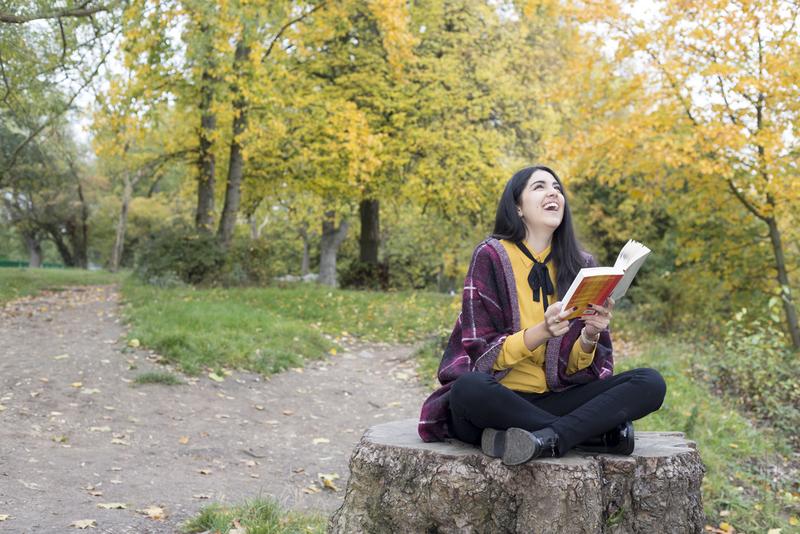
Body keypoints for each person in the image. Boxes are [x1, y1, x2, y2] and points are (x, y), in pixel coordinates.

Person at [417, 165, 667, 465]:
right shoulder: (491, 255)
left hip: (558, 397)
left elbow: (578, 373)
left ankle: (544, 439)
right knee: (468, 390)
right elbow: (481, 356)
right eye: (539, 187)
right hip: (498, 398)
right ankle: (590, 434)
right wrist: (542, 332)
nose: (553, 193)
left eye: (557, 188)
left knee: (650, 382)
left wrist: (590, 335)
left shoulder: (580, 263)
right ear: (518, 207)